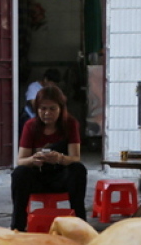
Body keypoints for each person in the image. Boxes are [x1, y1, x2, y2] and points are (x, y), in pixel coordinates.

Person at [10, 85, 87, 231]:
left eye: (52, 109)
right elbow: (20, 160)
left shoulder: (70, 124)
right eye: (42, 109)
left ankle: (80, 224)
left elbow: (75, 158)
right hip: (38, 177)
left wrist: (60, 158)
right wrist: (33, 160)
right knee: (19, 173)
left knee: (78, 169)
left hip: (61, 177)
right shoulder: (30, 126)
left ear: (61, 108)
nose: (47, 113)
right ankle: (18, 227)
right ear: (37, 109)